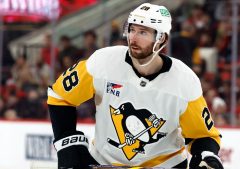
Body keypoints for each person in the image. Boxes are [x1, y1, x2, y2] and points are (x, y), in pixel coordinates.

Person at [47, 3, 223, 169]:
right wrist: (67, 141)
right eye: (131, 30)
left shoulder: (184, 81)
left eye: (143, 32)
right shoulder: (102, 62)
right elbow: (60, 96)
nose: (133, 38)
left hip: (164, 165)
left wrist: (206, 155)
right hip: (104, 163)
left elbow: (202, 135)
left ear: (162, 39)